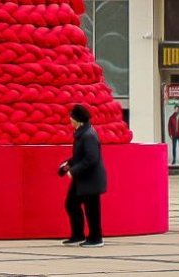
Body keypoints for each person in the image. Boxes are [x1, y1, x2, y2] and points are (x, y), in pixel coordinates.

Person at [57, 103, 107, 248]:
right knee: (71, 204)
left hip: (90, 179)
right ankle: (78, 234)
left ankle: (96, 238)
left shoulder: (88, 135)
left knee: (92, 210)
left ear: (77, 119)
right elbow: (80, 156)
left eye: (71, 118)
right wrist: (67, 165)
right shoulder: (82, 133)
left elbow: (92, 158)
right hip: (83, 179)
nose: (69, 120)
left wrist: (74, 170)